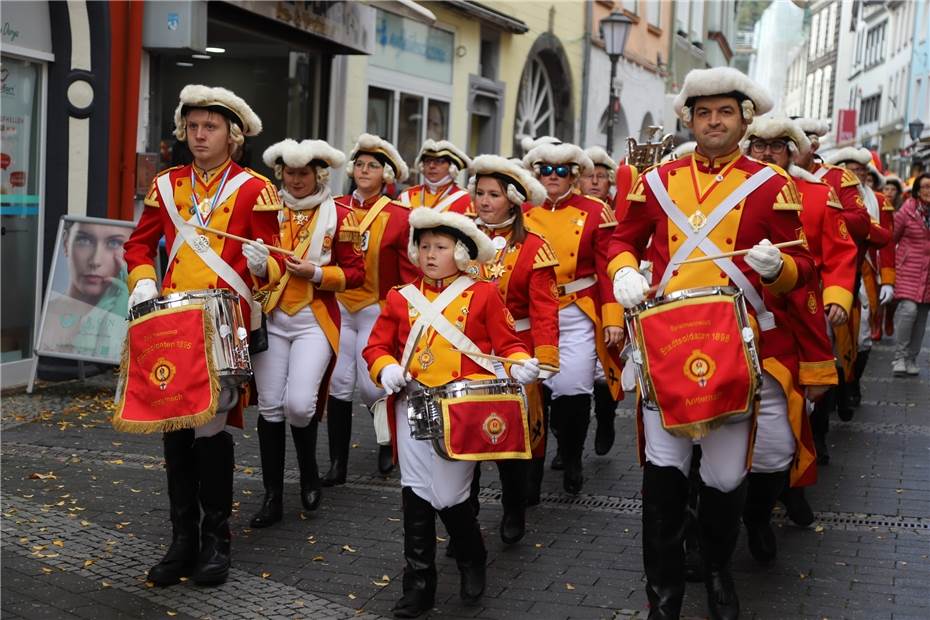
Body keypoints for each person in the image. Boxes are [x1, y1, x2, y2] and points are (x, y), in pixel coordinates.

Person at [609, 67, 815, 618]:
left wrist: (780, 270)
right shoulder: (655, 181)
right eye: (704, 113)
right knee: (664, 469)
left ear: (745, 119)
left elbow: (806, 264)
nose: (714, 121)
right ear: (690, 120)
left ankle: (720, 567)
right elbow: (620, 241)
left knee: (725, 476)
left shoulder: (772, 184)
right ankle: (665, 598)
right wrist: (625, 271)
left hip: (734, 351)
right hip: (665, 346)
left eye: (725, 112)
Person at [123, 84, 283, 586]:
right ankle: (182, 540)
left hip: (221, 323)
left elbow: (275, 261)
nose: (199, 135)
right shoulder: (168, 185)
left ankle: (217, 540)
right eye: (192, 126)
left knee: (210, 432)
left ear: (232, 135)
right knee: (175, 430)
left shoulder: (256, 189)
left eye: (209, 127)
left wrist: (265, 265)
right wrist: (142, 279)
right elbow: (138, 245)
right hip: (170, 324)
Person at [363, 208, 540, 617]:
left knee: (448, 494)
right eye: (424, 246)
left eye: (440, 247)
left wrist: (520, 363)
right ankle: (419, 585)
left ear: (460, 252)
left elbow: (507, 342)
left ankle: (472, 557)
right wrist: (385, 367)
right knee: (415, 490)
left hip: (462, 410)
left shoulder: (483, 293)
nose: (429, 254)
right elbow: (376, 347)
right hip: (413, 404)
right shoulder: (399, 296)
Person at [740, 115, 858, 551]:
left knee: (796, 421)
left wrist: (839, 297)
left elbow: (840, 252)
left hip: (798, 322)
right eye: (759, 145)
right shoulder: (735, 190)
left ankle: (788, 494)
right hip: (730, 326)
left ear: (794, 151)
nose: (767, 153)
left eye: (777, 146)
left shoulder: (816, 195)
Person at [246, 139, 365, 528]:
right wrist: (259, 267)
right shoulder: (265, 209)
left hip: (314, 320)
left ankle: (310, 472)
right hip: (271, 318)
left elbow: (356, 274)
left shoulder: (342, 213)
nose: (296, 180)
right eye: (290, 173)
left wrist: (314, 273)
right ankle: (273, 496)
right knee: (269, 406)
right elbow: (246, 270)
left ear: (319, 174)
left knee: (299, 404)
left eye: (304, 173)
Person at [522, 138, 624, 494]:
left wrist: (612, 317)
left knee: (574, 386)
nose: (552, 177)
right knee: (533, 388)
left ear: (574, 176)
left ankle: (573, 454)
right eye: (545, 170)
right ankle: (533, 463)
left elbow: (607, 267)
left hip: (577, 309)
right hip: (533, 314)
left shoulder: (596, 211)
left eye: (561, 170)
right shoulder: (522, 212)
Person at [467, 154, 559, 536]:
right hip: (467, 351)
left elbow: (544, 309)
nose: (484, 201)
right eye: (480, 193)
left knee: (513, 435)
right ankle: (466, 515)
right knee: (466, 432)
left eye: (494, 194)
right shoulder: (459, 237)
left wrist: (545, 358)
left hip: (515, 351)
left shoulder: (534, 246)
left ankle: (513, 508)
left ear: (514, 200)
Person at [325, 134, 417, 484]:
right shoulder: (333, 207)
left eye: (373, 166)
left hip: (376, 308)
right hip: (339, 304)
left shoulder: (400, 216)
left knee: (371, 385)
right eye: (360, 164)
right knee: (338, 380)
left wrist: (406, 314)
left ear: (387, 174)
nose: (364, 170)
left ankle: (386, 439)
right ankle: (337, 463)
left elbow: (410, 273)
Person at [825, 148, 895, 417]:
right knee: (834, 337)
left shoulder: (877, 199)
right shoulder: (829, 195)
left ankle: (851, 384)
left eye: (862, 171)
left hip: (866, 274)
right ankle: (839, 391)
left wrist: (888, 280)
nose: (857, 176)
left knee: (863, 337)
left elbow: (884, 239)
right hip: (837, 273)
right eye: (852, 170)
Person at [579, 145, 625, 456]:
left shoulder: (619, 210)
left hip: (606, 293)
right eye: (588, 176)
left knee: (603, 366)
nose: (595, 182)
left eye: (601, 176)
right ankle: (567, 443)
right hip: (573, 298)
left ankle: (606, 419)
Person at [40, 220, 130, 360]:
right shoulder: (42, 319)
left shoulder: (139, 317)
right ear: (65, 243)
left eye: (114, 243)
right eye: (84, 240)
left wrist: (120, 322)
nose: (95, 261)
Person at [892, 173, 930, 375]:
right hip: (908, 271)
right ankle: (899, 357)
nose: (928, 191)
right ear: (916, 190)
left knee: (922, 318)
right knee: (909, 311)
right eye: (925, 187)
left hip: (928, 275)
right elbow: (891, 239)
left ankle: (912, 359)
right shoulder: (906, 212)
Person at [397, 140, 472, 213]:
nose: (431, 166)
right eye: (428, 161)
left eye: (439, 161)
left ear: (452, 167)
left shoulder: (465, 199)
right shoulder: (407, 196)